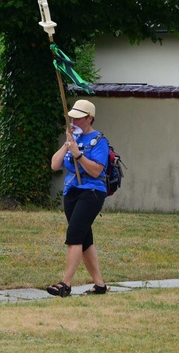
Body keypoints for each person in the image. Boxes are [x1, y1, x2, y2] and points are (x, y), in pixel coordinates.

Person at [46, 99, 109, 297]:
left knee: (74, 235)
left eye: (78, 118)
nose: (73, 121)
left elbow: (98, 170)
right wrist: (68, 145)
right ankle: (100, 285)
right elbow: (55, 165)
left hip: (91, 192)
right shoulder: (72, 138)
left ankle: (66, 284)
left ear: (89, 118)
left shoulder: (99, 141)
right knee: (84, 238)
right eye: (71, 117)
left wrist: (79, 155)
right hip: (71, 192)